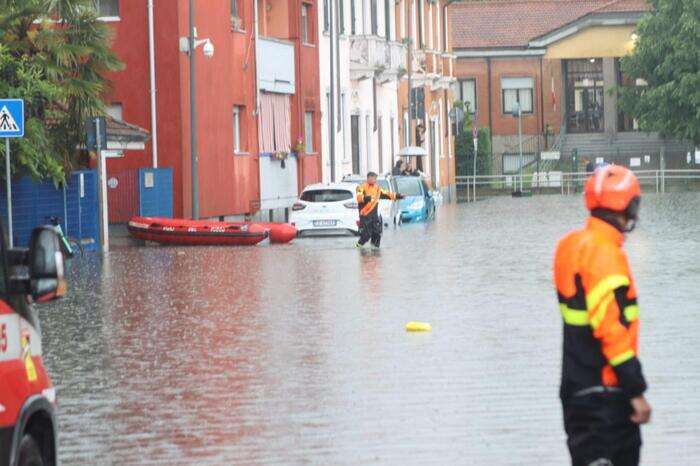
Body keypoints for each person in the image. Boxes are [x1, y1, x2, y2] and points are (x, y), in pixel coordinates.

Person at [554, 165, 651, 466]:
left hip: (575, 392)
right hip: (607, 398)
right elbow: (611, 330)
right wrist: (635, 390)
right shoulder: (605, 255)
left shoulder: (570, 246)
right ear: (627, 207)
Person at [355, 172, 403, 248]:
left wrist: (398, 196)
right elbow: (359, 197)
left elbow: (387, 194)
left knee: (377, 233)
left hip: (374, 215)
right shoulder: (362, 187)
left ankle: (375, 249)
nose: (375, 180)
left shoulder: (377, 188)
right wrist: (366, 198)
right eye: (373, 179)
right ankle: (358, 247)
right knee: (366, 235)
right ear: (368, 178)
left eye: (375, 179)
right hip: (365, 215)